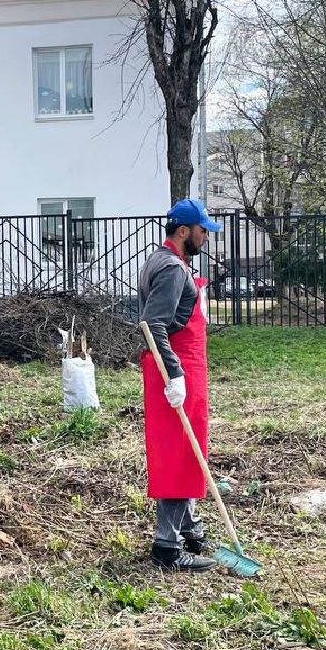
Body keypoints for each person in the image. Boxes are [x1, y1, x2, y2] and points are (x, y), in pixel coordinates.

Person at [138, 199, 223, 573]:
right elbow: (153, 324)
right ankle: (167, 546)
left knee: (190, 450)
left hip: (184, 368)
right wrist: (174, 375)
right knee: (177, 452)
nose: (207, 237)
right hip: (177, 369)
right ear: (185, 231)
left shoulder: (163, 260)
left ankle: (188, 527)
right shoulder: (172, 268)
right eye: (204, 230)